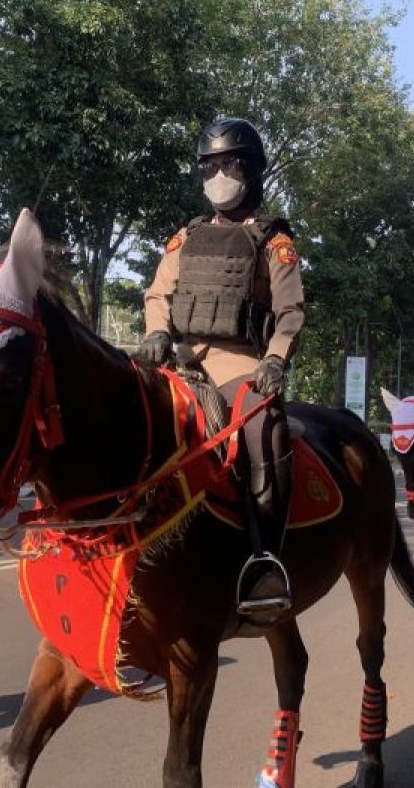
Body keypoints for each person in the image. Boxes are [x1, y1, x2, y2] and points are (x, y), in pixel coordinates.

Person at [138, 118, 303, 623]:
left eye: (228, 163)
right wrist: (156, 332)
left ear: (251, 170)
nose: (218, 174)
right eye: (209, 165)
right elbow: (158, 293)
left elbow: (291, 310)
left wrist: (276, 359)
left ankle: (263, 557)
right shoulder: (185, 236)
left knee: (263, 428)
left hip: (240, 363)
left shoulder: (273, 240)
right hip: (182, 360)